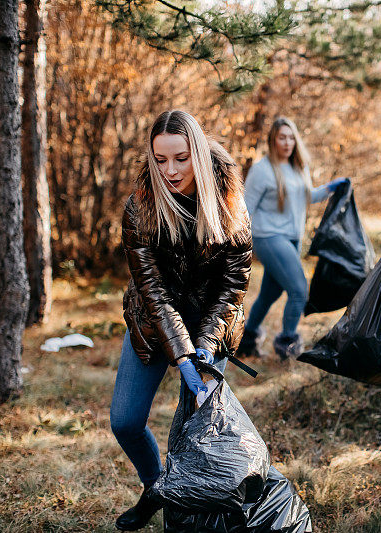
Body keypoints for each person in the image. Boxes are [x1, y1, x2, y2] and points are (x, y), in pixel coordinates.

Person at [110, 110, 252, 531]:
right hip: (155, 323)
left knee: (197, 437)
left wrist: (205, 347)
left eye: (181, 158)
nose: (170, 170)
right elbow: (152, 291)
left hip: (212, 324)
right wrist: (181, 354)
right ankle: (157, 488)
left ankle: (186, 513)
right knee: (126, 421)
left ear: (200, 156)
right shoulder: (140, 207)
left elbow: (232, 288)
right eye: (160, 159)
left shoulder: (230, 205)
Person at [237, 117, 346, 360]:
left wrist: (333, 187)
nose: (287, 142)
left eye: (290, 137)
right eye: (281, 137)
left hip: (292, 238)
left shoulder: (299, 167)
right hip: (269, 237)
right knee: (298, 291)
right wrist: (240, 245)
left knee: (269, 294)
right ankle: (287, 348)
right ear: (273, 141)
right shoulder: (262, 170)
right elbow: (246, 209)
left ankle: (246, 341)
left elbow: (307, 197)